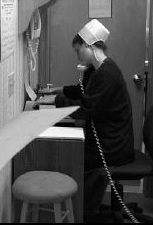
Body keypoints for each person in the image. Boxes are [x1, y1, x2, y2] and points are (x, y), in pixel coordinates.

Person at [36, 19, 134, 222]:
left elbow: (87, 108)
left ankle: (84, 213)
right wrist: (59, 90)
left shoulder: (107, 74)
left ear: (89, 46)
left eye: (78, 50)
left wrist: (56, 101)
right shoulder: (96, 70)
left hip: (112, 146)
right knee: (74, 151)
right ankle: (82, 208)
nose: (77, 55)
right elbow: (84, 92)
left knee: (70, 157)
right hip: (109, 139)